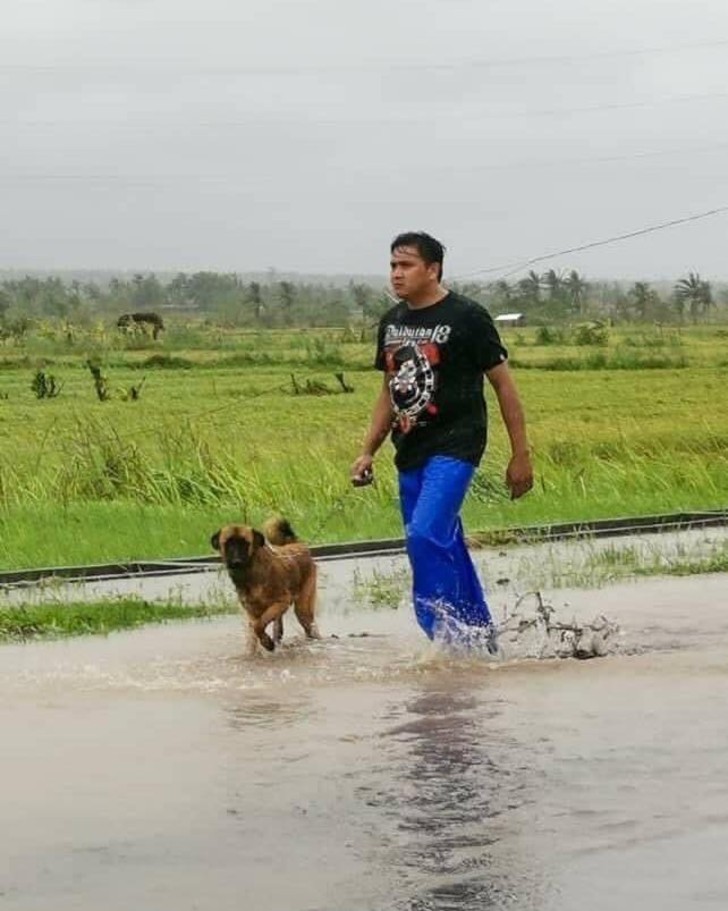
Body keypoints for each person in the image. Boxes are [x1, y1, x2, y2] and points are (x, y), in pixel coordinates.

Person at [350, 231, 533, 652]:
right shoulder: (392, 322)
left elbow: (504, 386)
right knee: (444, 540)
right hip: (410, 447)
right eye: (393, 265)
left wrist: (521, 455)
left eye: (407, 265)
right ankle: (482, 637)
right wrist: (367, 451)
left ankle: (446, 638)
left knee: (425, 535)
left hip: (458, 444)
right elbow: (388, 390)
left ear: (433, 270)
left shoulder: (467, 317)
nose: (397, 274)